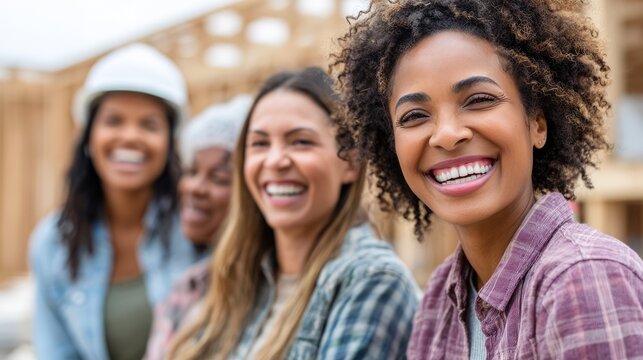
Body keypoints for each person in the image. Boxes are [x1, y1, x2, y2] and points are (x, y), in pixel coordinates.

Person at [333, 0, 643, 359]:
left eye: (479, 100)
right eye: (414, 116)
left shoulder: (583, 277)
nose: (446, 135)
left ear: (538, 124)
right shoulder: (441, 297)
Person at [164, 67, 420, 360]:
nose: (275, 160)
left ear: (350, 162)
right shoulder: (242, 277)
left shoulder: (373, 280)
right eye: (260, 143)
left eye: (300, 141)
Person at [29, 43, 205, 360]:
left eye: (149, 124)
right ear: (89, 136)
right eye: (113, 121)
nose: (129, 136)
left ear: (170, 141)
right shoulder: (52, 243)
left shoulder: (199, 227)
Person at [144, 95, 251, 359]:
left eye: (219, 178)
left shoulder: (265, 292)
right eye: (191, 172)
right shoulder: (188, 286)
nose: (194, 187)